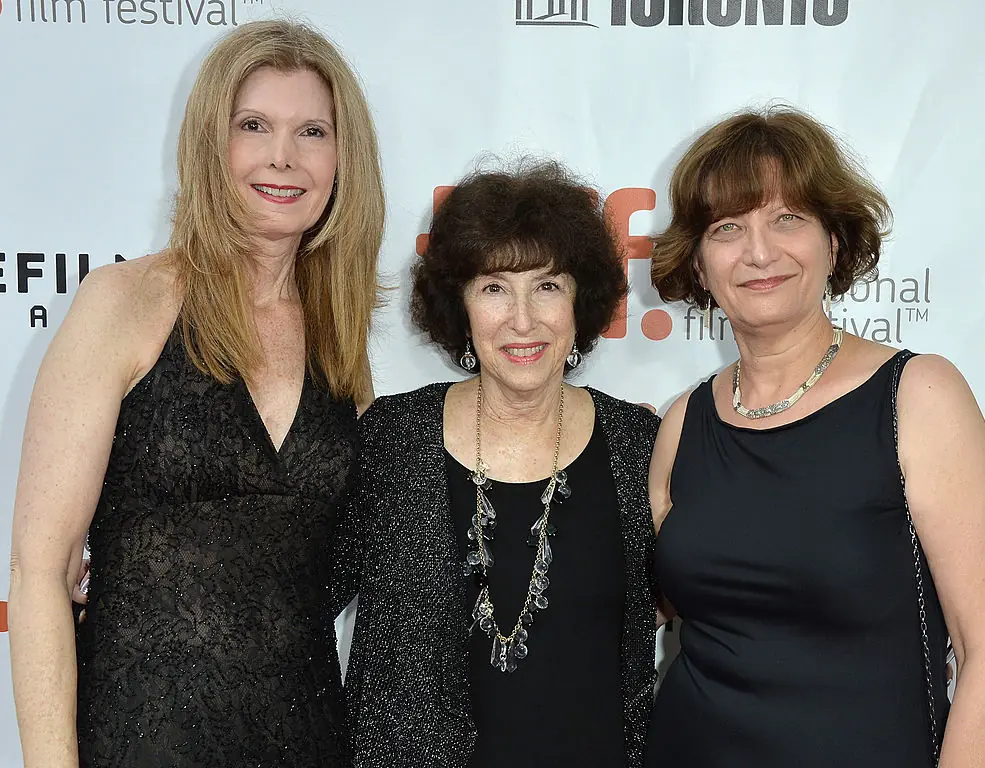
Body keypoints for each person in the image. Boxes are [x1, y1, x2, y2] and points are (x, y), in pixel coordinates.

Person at [8, 20, 383, 767]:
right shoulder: (124, 302)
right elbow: (40, 572)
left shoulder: (341, 340)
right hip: (141, 738)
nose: (284, 156)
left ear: (345, 160)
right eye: (254, 126)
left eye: (313, 130)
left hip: (305, 736)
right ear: (212, 143)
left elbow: (340, 558)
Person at [645, 106, 985, 766]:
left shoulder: (917, 396)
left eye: (787, 218)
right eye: (728, 227)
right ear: (701, 266)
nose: (759, 252)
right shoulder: (684, 421)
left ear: (835, 243)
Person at [344, 162, 660, 768]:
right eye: (494, 287)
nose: (522, 319)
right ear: (459, 305)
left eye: (547, 285)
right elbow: (298, 586)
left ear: (581, 302)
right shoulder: (392, 439)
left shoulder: (637, 444)